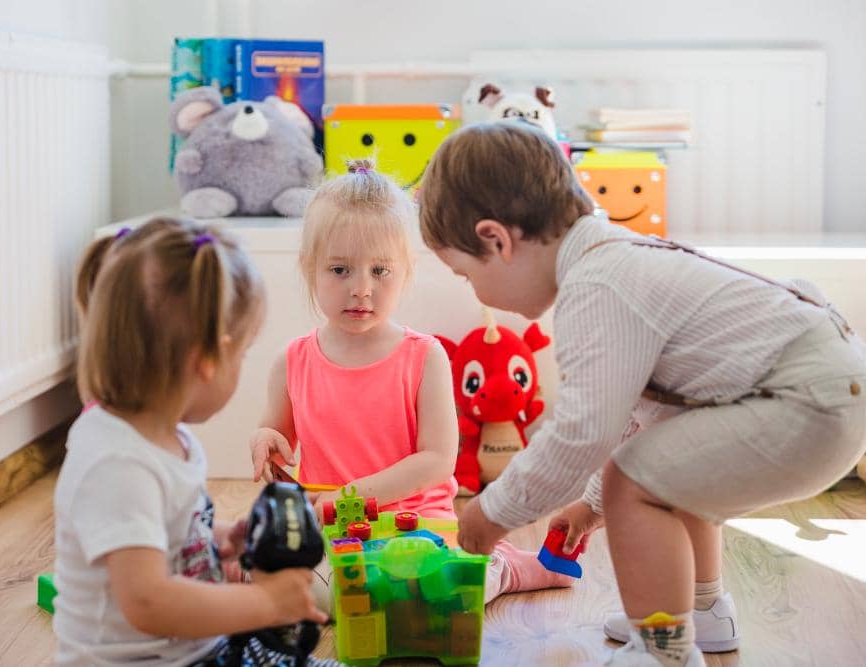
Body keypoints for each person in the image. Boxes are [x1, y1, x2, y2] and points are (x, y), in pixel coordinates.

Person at [417, 122, 866, 667]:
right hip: (833, 388)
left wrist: (491, 512)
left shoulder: (595, 287)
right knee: (670, 463)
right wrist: (589, 508)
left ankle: (662, 650)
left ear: (496, 240)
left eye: (464, 274)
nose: (474, 291)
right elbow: (642, 415)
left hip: (811, 398)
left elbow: (581, 434)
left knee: (634, 482)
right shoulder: (616, 259)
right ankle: (703, 610)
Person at [249, 160, 576, 607]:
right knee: (290, 586)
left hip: (414, 523)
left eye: (379, 272)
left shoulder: (424, 356)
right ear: (310, 268)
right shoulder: (292, 361)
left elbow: (438, 461)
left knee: (436, 591)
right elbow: (279, 437)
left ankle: (506, 567)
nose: (361, 289)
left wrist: (350, 496)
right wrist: (266, 437)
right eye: (340, 270)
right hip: (333, 528)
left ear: (404, 270)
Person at [54, 217, 341, 666]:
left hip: (199, 652)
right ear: (207, 359)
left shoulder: (170, 437)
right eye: (241, 353)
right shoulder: (116, 463)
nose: (242, 365)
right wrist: (266, 605)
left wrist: (221, 537)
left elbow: (168, 533)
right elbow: (148, 602)